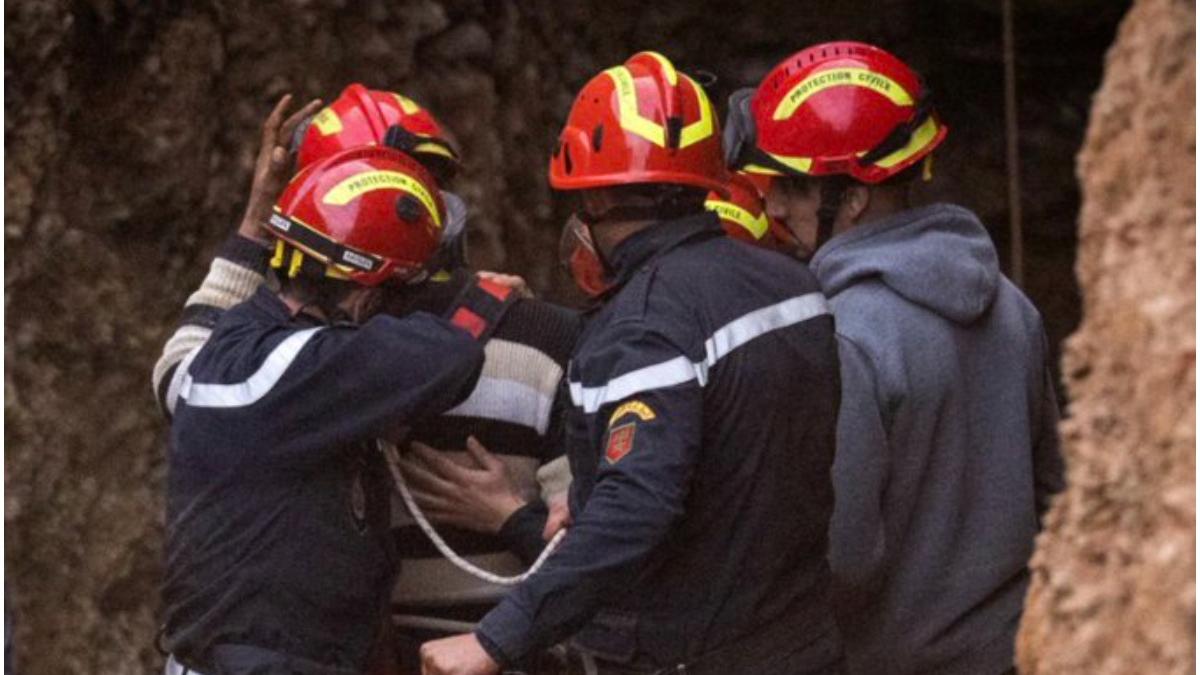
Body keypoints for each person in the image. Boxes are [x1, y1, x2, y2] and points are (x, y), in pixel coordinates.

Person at [420, 51, 844, 675]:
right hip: (801, 640)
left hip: (689, 654)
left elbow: (636, 509)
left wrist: (493, 640)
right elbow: (743, 455)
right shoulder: (792, 285)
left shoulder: (640, 327)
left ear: (594, 197)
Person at [151, 90, 581, 672]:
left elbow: (179, 371)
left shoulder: (249, 343)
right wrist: (515, 521)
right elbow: (604, 552)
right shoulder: (541, 339)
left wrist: (256, 221)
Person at [725, 40, 1065, 675]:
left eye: (791, 187)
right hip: (1020, 653)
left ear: (852, 199)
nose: (771, 207)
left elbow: (844, 556)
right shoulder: (1013, 305)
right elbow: (1055, 493)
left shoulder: (843, 336)